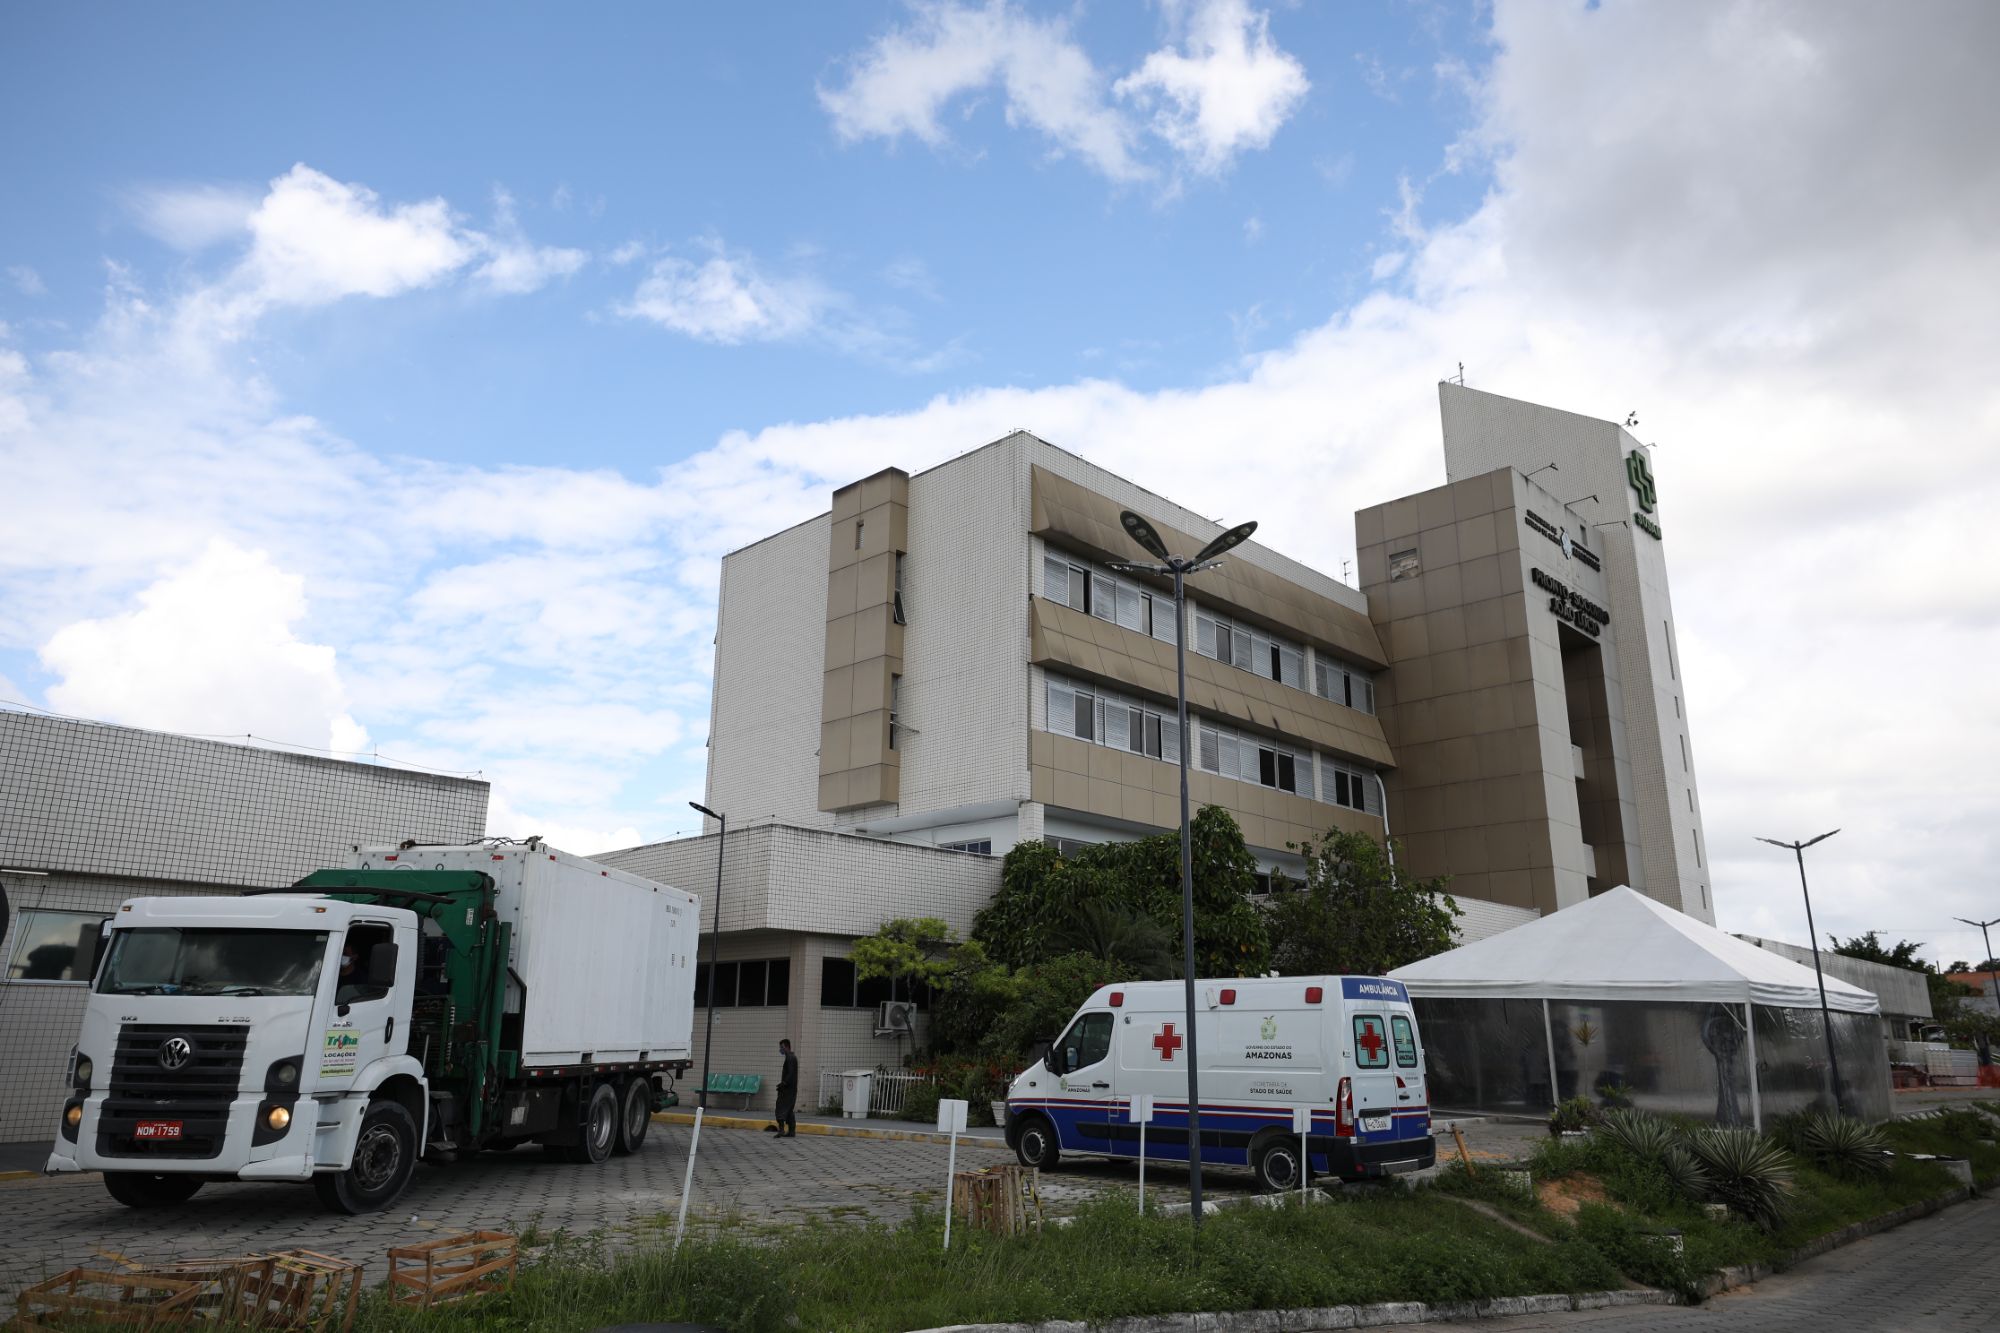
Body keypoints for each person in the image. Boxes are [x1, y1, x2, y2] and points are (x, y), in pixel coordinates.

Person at [773, 1038, 798, 1138]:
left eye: (782, 1047)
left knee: (780, 1107)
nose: (781, 1049)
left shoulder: (790, 1058)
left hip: (788, 1090)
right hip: (790, 1089)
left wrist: (783, 1083)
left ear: (787, 1047)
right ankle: (791, 1131)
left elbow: (791, 1073)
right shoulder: (790, 1057)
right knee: (789, 1110)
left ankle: (781, 1130)